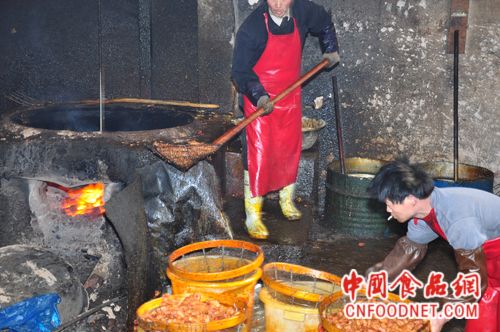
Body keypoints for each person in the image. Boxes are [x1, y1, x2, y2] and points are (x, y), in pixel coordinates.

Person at [231, 0, 339, 239]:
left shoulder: (303, 11)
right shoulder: (252, 28)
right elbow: (239, 71)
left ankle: (286, 200)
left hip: (289, 95)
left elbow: (324, 22)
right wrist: (259, 96)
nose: (278, 4)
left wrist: (330, 47)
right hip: (259, 100)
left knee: (289, 149)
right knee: (259, 154)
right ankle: (253, 213)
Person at [366, 159, 500, 332]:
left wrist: (441, 316)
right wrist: (370, 286)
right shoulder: (424, 213)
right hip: (488, 259)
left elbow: (473, 277)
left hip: (487, 259)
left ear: (411, 199)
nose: (388, 211)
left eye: (389, 204)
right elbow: (406, 253)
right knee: (484, 309)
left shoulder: (457, 219)